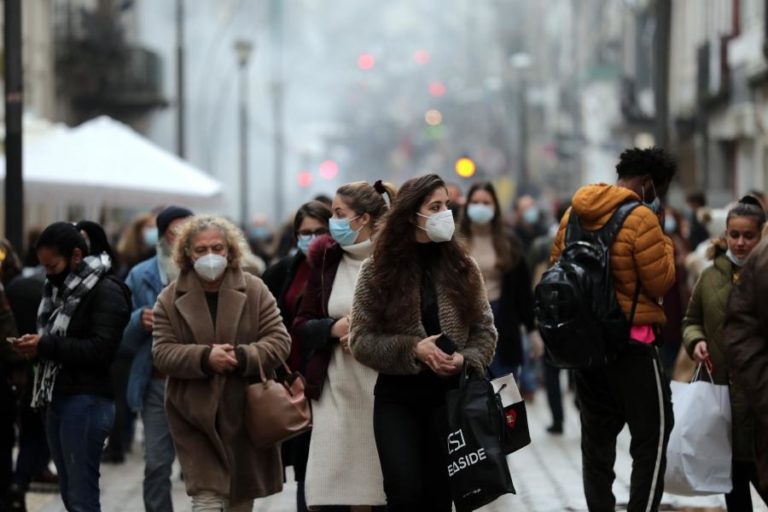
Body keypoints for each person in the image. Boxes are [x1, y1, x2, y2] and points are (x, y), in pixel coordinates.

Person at [349, 173, 497, 511]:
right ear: (412, 213)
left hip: (448, 401)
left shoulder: (463, 267)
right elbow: (360, 339)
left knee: (439, 496)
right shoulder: (377, 270)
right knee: (404, 493)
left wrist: (465, 359)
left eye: (447, 205)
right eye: (436, 206)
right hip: (397, 400)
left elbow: (486, 331)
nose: (446, 212)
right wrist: (412, 349)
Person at [550, 147, 677, 511]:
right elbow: (660, 281)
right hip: (633, 345)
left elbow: (555, 269)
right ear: (648, 183)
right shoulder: (641, 217)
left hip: (587, 347)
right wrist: (663, 234)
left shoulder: (573, 213)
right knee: (652, 438)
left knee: (596, 446)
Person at [152, 215, 291, 511]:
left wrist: (242, 357)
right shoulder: (169, 298)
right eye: (201, 250)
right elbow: (162, 351)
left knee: (240, 503)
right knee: (206, 498)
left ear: (230, 250)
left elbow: (280, 341)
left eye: (217, 247)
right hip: (195, 416)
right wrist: (204, 357)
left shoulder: (254, 290)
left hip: (245, 415)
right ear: (188, 253)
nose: (210, 255)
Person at [11, 222, 131, 512]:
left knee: (81, 497)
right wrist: (36, 347)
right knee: (70, 494)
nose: (48, 274)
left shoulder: (106, 290)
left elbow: (101, 349)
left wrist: (46, 345)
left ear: (76, 255)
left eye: (53, 266)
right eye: (44, 267)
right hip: (58, 397)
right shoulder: (61, 291)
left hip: (87, 401)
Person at [293, 180, 395, 510]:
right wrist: (333, 328)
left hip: (381, 389)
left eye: (339, 213)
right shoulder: (326, 260)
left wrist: (369, 338)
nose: (333, 221)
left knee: (374, 490)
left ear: (363, 218)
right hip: (334, 388)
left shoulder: (393, 262)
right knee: (328, 488)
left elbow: (410, 321)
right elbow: (302, 324)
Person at [683, 196, 768, 510]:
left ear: (762, 236)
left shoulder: (764, 274)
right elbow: (691, 320)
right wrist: (696, 341)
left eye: (749, 236)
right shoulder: (711, 275)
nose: (741, 243)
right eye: (734, 235)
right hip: (722, 398)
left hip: (760, 397)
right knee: (734, 484)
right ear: (725, 235)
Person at [122, 206, 193, 512]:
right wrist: (139, 319)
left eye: (186, 229)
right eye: (173, 230)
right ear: (163, 234)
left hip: (199, 380)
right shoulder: (140, 275)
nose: (179, 237)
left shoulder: (206, 271)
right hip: (157, 381)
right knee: (156, 463)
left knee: (202, 466)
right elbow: (120, 334)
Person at [262, 201, 331, 512]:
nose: (312, 238)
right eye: (305, 233)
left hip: (331, 377)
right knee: (306, 464)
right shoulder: (285, 271)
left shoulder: (340, 266)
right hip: (295, 379)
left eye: (319, 230)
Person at [458, 182, 542, 380]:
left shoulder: (509, 242)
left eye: (486, 203)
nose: (480, 207)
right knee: (472, 398)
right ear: (467, 205)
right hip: (467, 324)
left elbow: (522, 291)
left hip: (503, 322)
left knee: (506, 399)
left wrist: (532, 330)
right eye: (475, 202)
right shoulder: (455, 242)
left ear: (495, 207)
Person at [116, 213, 157, 278]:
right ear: (138, 230)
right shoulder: (126, 259)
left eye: (156, 227)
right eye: (150, 227)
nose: (154, 231)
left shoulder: (156, 255)